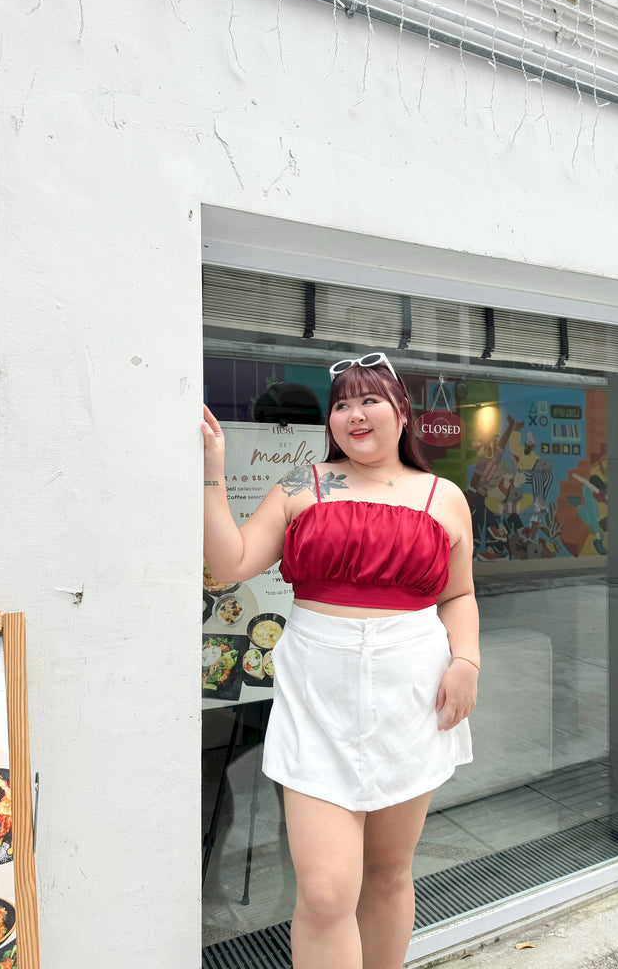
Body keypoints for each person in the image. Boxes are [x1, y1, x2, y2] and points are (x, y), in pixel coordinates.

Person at [201, 351, 479, 969]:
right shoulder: (304, 484)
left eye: (369, 400)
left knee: (387, 875)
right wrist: (211, 474)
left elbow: (458, 595)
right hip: (317, 699)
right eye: (342, 404)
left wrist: (467, 663)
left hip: (411, 695)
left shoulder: (444, 496)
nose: (354, 415)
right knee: (326, 894)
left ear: (401, 412)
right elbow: (228, 567)